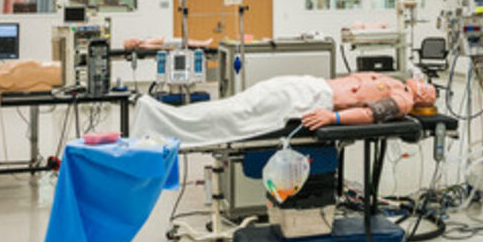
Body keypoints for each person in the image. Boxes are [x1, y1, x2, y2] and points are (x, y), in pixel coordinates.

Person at [133, 72, 438, 148]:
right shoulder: (396, 82)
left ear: (423, 99)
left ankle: (160, 124)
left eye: (429, 90)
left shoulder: (403, 99)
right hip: (304, 86)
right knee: (233, 106)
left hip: (309, 99)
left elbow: (371, 114)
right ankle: (159, 119)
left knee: (234, 114)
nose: (425, 84)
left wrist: (333, 117)